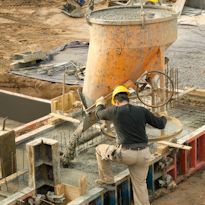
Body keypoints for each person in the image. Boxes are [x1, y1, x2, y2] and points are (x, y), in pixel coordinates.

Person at [95, 85, 167, 205]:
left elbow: (99, 114)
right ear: (128, 99)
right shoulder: (141, 110)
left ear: (116, 101)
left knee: (99, 149)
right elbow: (160, 124)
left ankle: (108, 181)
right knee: (140, 186)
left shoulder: (114, 110)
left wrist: (100, 103)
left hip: (126, 154)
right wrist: (163, 116)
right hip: (144, 155)